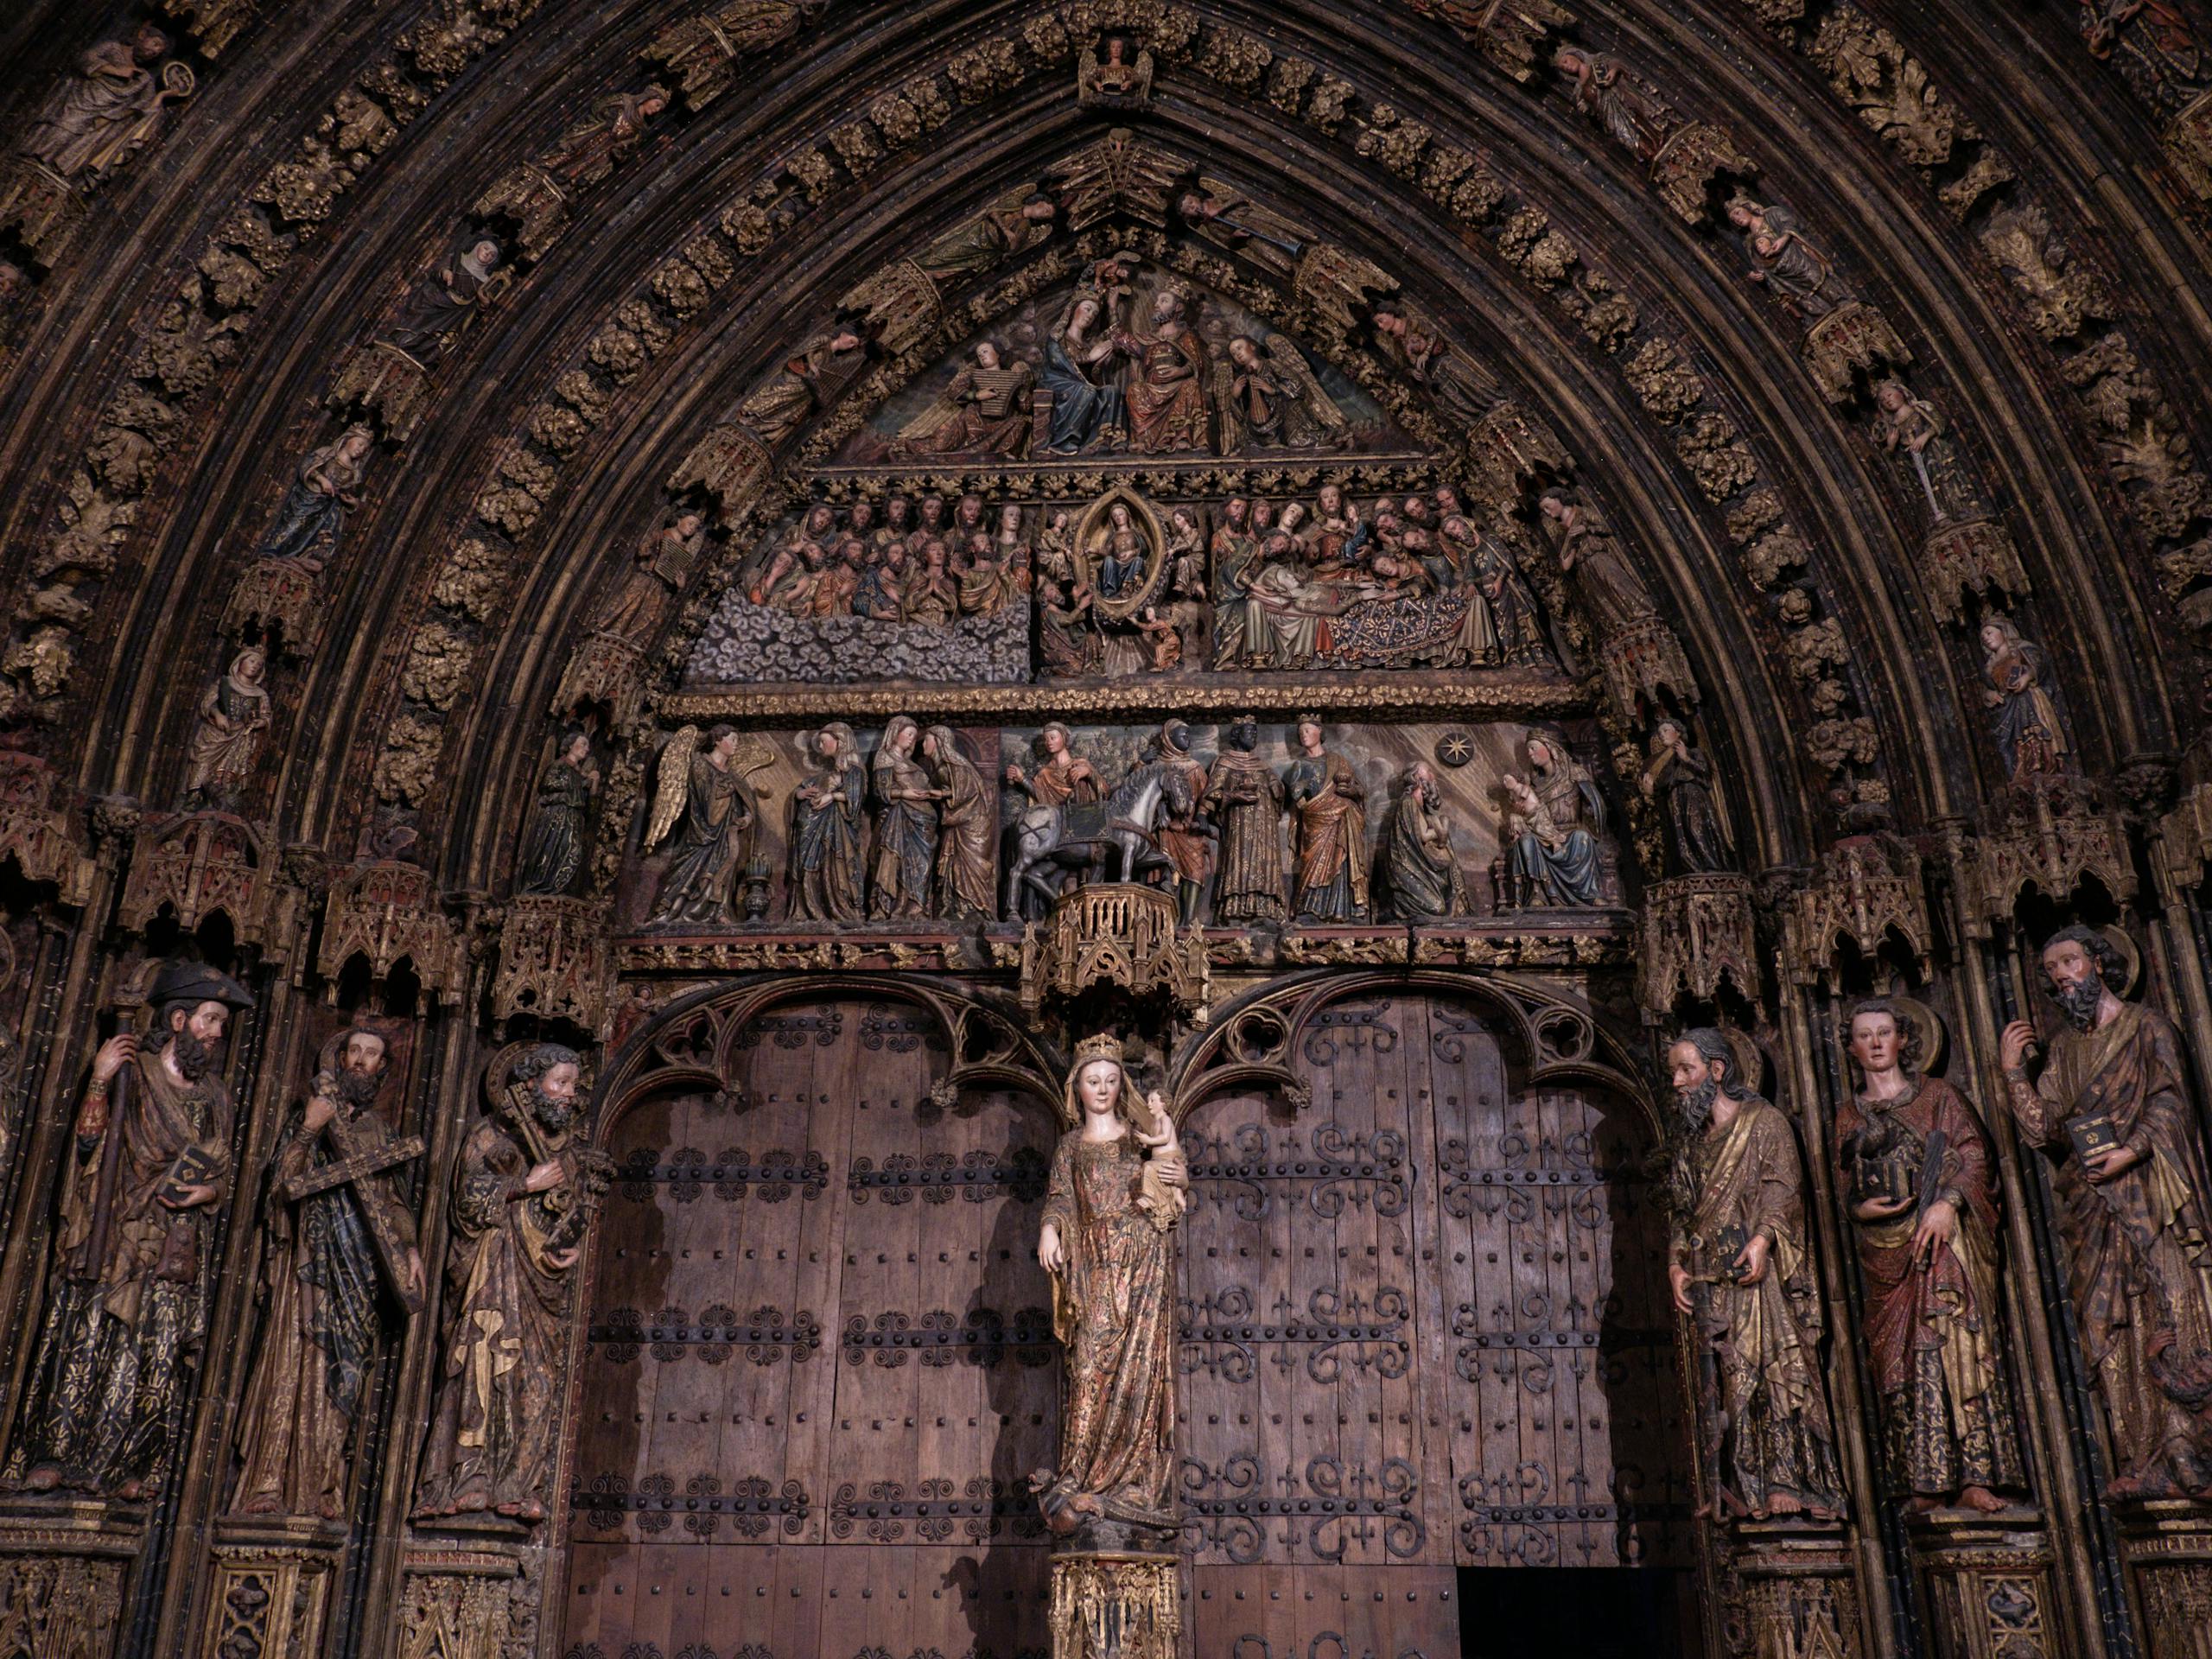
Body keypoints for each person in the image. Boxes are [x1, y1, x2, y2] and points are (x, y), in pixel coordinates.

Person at [8, 962, 255, 1498]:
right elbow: (88, 1145)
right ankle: (55, 1455)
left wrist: (206, 1193)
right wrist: (99, 1079)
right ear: (179, 1019)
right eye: (211, 1020)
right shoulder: (133, 1072)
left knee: (153, 1355)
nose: (217, 1033)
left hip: (172, 1243)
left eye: (221, 1025)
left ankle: (127, 1465)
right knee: (87, 1339)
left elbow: (223, 1172)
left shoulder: (216, 1095)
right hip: (115, 1231)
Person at [2000, 926, 2212, 1497]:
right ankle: (2143, 1450)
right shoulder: (2063, 1050)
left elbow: (2172, 1102)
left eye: (2069, 961)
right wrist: (2014, 1072)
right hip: (2091, 1205)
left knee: (2173, 1304)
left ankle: (2191, 1444)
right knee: (2110, 1324)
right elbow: (2045, 1131)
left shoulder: (2147, 1027)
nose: (2062, 977)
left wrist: (2132, 1149)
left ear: (2099, 962)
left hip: (2151, 1194)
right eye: (2052, 971)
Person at [1835, 1001, 2025, 1513]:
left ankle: (1978, 1474)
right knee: (1898, 1359)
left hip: (1945, 1245)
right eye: (1864, 1036)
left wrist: (1948, 1203)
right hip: (1886, 1254)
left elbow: (1975, 1155)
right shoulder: (1848, 1115)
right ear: (1851, 1047)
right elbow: (1844, 1186)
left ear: (1903, 1040)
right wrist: (1860, 1208)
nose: (1876, 1043)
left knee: (1956, 1343)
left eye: (1885, 1032)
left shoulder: (1939, 1096)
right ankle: (1924, 1478)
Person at [232, 1027, 424, 1518]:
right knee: (292, 1363)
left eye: (371, 1055)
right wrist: (309, 1128)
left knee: (347, 1374)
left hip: (362, 1267)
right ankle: (269, 1481)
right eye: (353, 1051)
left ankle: (323, 1484)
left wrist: (411, 1250)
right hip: (310, 1262)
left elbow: (395, 1203)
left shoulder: (383, 1134)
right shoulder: (312, 1115)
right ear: (340, 1059)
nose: (360, 1061)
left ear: (382, 1068)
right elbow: (281, 1185)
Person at [1664, 1029, 1846, 1521]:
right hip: (1709, 1281)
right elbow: (1681, 1211)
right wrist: (1675, 1262)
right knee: (1725, 1383)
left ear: (1717, 1070)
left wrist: (1763, 1240)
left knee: (1772, 1371)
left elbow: (1784, 1189)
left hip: (1758, 1276)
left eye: (1686, 1069)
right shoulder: (1689, 1145)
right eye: (1673, 1073)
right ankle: (1739, 1486)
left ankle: (1787, 1480)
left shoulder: (1764, 1123)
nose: (1677, 1082)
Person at [1033, 1034, 1187, 1540]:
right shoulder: (1070, 1146)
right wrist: (1050, 1229)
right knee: (1088, 1365)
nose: (1102, 1089)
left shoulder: (1138, 1136)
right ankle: (1077, 1474)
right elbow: (1060, 1196)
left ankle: (1130, 1481)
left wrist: (1173, 1173)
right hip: (1096, 1265)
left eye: (1111, 1080)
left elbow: (1174, 1173)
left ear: (1122, 1086)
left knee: (1138, 1367)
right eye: (1092, 1080)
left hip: (1142, 1261)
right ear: (1076, 1088)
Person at [1284, 717, 1367, 922]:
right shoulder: (1300, 764)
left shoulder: (1338, 761)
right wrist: (1305, 798)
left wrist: (1349, 792)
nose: (1304, 735)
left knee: (1341, 860)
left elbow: (1359, 791)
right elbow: (1296, 796)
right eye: (1301, 732)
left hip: (1341, 818)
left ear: (1320, 731)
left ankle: (1342, 910)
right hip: (1314, 821)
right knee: (1311, 864)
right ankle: (1309, 908)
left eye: (1307, 730)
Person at [515, 731, 597, 896]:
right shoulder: (559, 765)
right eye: (583, 744)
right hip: (559, 815)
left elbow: (590, 806)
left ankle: (558, 888)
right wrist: (579, 784)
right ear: (571, 745)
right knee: (551, 849)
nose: (587, 749)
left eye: (588, 746)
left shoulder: (579, 774)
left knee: (574, 851)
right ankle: (541, 888)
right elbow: (548, 783)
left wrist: (593, 783)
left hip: (575, 816)